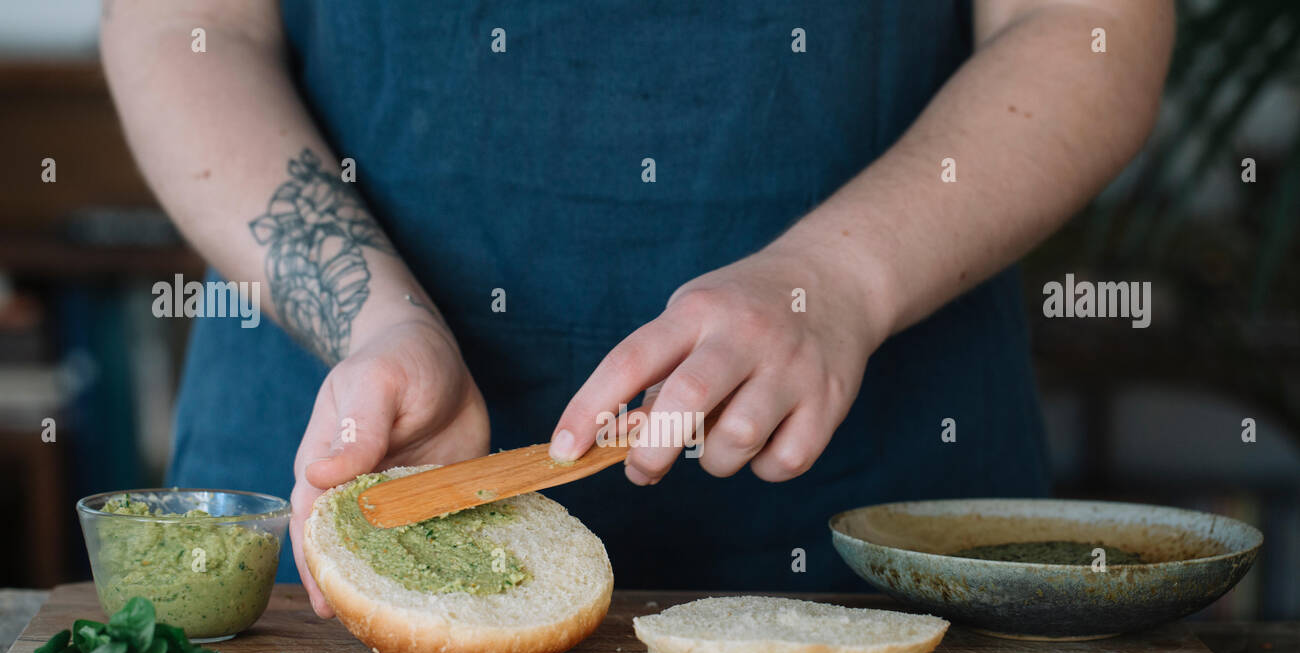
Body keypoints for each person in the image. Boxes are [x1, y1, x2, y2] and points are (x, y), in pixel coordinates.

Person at [101, 0, 1174, 617]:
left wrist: (838, 278)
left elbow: (1086, 26)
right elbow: (184, 30)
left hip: (874, 496)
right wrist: (375, 322)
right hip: (350, 433)